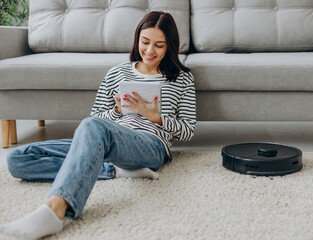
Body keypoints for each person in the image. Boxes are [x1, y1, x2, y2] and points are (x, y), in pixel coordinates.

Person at [0, 11, 196, 239]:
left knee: (92, 127)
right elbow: (94, 119)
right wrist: (116, 111)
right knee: (18, 159)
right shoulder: (117, 73)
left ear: (169, 46)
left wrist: (156, 117)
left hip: (149, 145)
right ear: (137, 40)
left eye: (159, 45)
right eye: (145, 42)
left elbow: (188, 130)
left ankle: (55, 210)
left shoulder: (182, 79)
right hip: (107, 142)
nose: (150, 51)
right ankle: (116, 170)